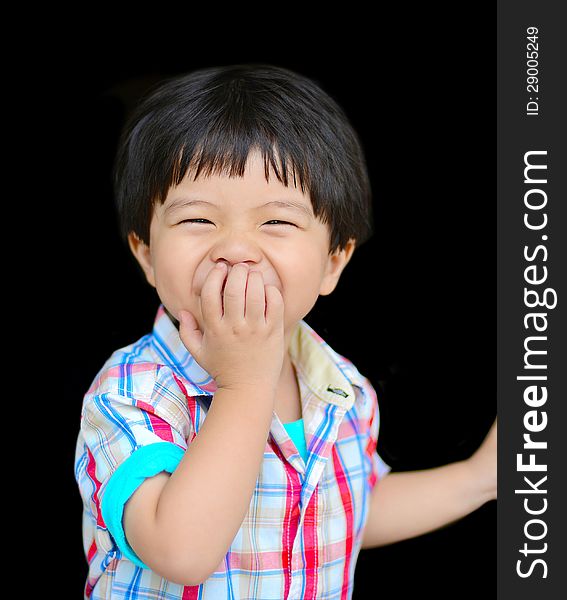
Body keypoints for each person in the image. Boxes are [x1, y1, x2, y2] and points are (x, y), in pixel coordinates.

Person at [75, 64, 497, 599]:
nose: (235, 247)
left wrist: (481, 478)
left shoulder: (341, 387)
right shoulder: (131, 393)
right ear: (147, 255)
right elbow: (180, 550)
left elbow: (347, 507)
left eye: (276, 222)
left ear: (333, 262)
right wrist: (245, 383)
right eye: (198, 220)